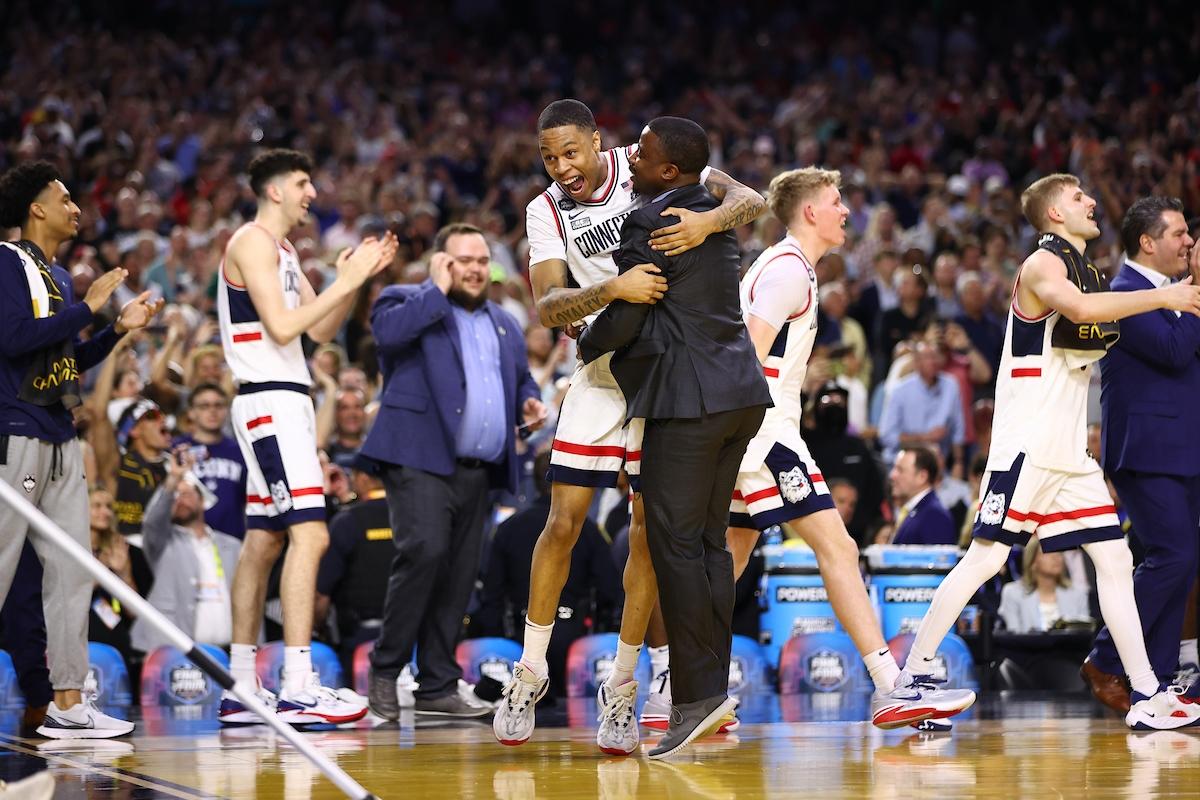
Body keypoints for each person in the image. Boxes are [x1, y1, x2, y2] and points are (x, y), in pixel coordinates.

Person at [494, 99, 765, 754]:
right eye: (548, 158)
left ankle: (622, 686)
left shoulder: (643, 165)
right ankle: (531, 670)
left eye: (570, 152)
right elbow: (551, 307)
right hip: (599, 365)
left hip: (661, 374)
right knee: (563, 520)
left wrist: (710, 225)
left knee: (649, 530)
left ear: (598, 142)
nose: (562, 168)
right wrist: (612, 291)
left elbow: (748, 197)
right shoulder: (545, 208)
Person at [894, 173, 1200, 731]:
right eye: (1079, 197)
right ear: (1055, 214)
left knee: (1115, 560)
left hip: (1068, 449)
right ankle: (910, 677)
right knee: (986, 559)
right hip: (1028, 442)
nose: (1092, 202)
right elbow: (1080, 311)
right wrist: (1168, 295)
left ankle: (1148, 694)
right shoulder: (1041, 265)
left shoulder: (1087, 271)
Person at [722, 167, 971, 730]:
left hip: (750, 434)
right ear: (810, 212)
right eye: (836, 202)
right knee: (837, 546)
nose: (845, 212)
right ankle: (893, 686)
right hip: (765, 433)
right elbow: (742, 358)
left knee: (728, 560)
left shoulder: (782, 265)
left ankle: (688, 686)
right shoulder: (788, 271)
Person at [576, 116, 773, 759]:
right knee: (709, 547)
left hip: (687, 403)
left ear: (667, 171)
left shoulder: (648, 221)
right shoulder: (713, 208)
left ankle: (695, 697)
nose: (633, 155)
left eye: (646, 150)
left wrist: (585, 339)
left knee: (677, 551)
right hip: (739, 395)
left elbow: (631, 311)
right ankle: (710, 687)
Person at [216, 148, 397, 726]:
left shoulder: (287, 252)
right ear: (274, 190)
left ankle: (242, 687)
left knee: (264, 541)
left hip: (282, 397)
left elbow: (313, 332)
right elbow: (281, 326)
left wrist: (352, 284)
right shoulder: (252, 241)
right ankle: (297, 684)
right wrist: (343, 277)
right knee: (312, 537)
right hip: (271, 400)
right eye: (302, 182)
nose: (311, 193)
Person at [0, 160, 161, 738]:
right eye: (64, 198)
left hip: (60, 434)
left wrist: (116, 329)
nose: (76, 207)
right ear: (35, 207)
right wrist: (89, 308)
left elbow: (66, 362)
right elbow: (14, 339)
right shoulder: (3, 262)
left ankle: (68, 703)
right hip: (13, 432)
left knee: (72, 572)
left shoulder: (63, 279)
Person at [362, 222, 546, 720]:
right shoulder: (404, 299)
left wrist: (529, 401)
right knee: (424, 551)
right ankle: (385, 668)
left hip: (479, 470)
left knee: (460, 575)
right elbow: (387, 336)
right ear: (440, 263)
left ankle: (438, 685)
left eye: (482, 261)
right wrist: (435, 289)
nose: (475, 269)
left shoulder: (505, 323)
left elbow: (522, 378)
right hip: (417, 457)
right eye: (462, 260)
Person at [1082, 197, 1200, 714]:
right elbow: (1175, 352)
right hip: (1147, 449)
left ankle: (1158, 677)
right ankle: (1106, 659)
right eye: (1178, 234)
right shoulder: (1125, 293)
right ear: (1148, 242)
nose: (1189, 243)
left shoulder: (1172, 296)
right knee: (1173, 556)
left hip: (1183, 448)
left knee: (1181, 560)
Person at [474, 449, 623, 696]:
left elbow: (491, 596)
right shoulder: (588, 529)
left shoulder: (507, 529)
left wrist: (498, 641)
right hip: (575, 642)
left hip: (520, 642)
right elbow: (611, 589)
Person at [131, 448, 241, 653]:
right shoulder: (162, 541)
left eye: (186, 493)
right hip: (175, 654)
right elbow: (152, 522)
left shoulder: (232, 546)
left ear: (202, 500)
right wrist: (174, 478)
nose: (179, 499)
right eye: (175, 495)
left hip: (228, 653)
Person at [315, 453, 392, 676]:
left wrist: (320, 627)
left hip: (360, 641)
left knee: (361, 705)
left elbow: (321, 594)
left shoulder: (347, 522)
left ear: (364, 478)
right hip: (412, 638)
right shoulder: (413, 517)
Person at [173, 382, 247, 540]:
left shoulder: (240, 451)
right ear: (191, 412)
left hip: (231, 542)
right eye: (204, 406)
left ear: (226, 410)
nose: (212, 411)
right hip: (185, 542)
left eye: (218, 405)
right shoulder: (177, 449)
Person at [999, 542, 1091, 633]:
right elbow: (1013, 635)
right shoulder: (1012, 593)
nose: (1056, 557)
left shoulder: (1078, 593)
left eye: (1059, 553)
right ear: (1033, 561)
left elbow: (1084, 634)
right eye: (1048, 552)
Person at [113, 398, 170, 538]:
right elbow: (99, 414)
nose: (162, 419)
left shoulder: (174, 465)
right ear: (133, 430)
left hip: (162, 549)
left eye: (161, 414)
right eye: (152, 416)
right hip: (124, 549)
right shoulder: (117, 464)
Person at [889, 446, 959, 545]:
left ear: (922, 477)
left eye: (900, 470)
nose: (892, 475)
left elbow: (939, 559)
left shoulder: (935, 516)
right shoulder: (914, 511)